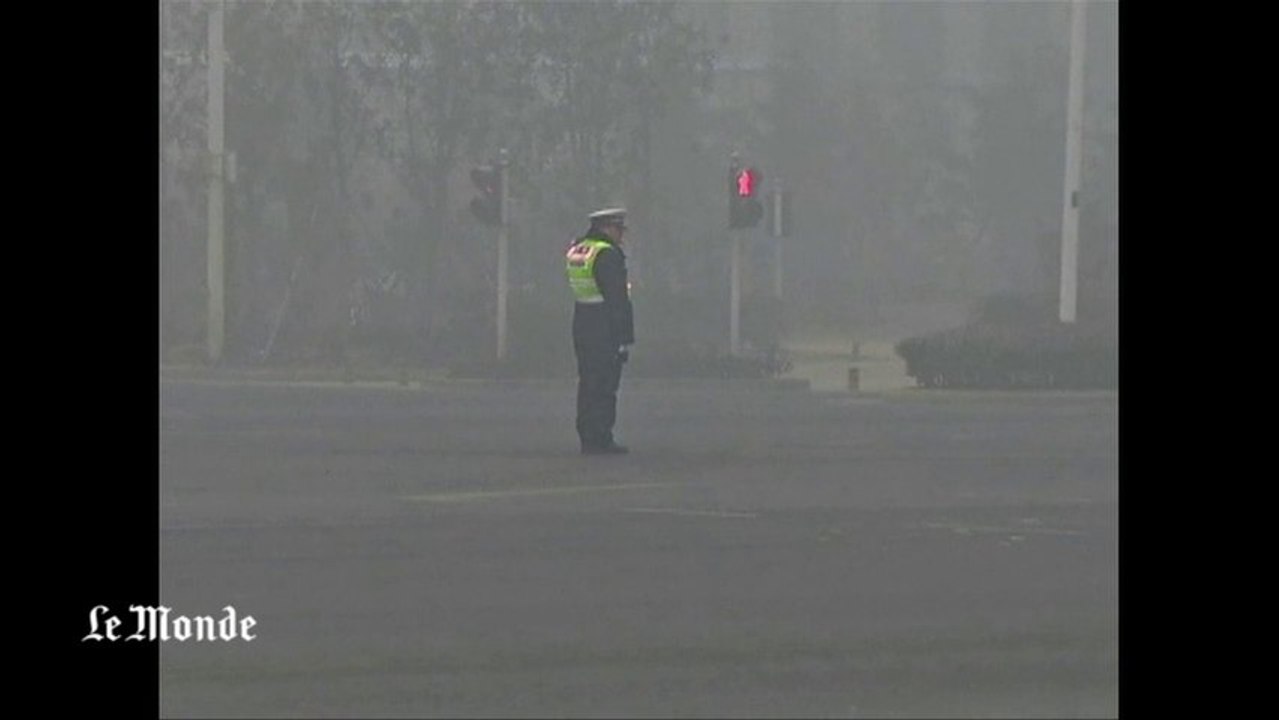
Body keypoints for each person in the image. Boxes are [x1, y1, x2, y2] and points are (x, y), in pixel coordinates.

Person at [565, 208, 634, 455]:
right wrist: (623, 339)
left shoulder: (579, 249)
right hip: (604, 326)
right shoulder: (607, 255)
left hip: (582, 321)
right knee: (605, 385)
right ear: (607, 227)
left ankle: (587, 435)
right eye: (618, 230)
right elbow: (617, 300)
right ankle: (601, 437)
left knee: (587, 383)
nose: (621, 236)